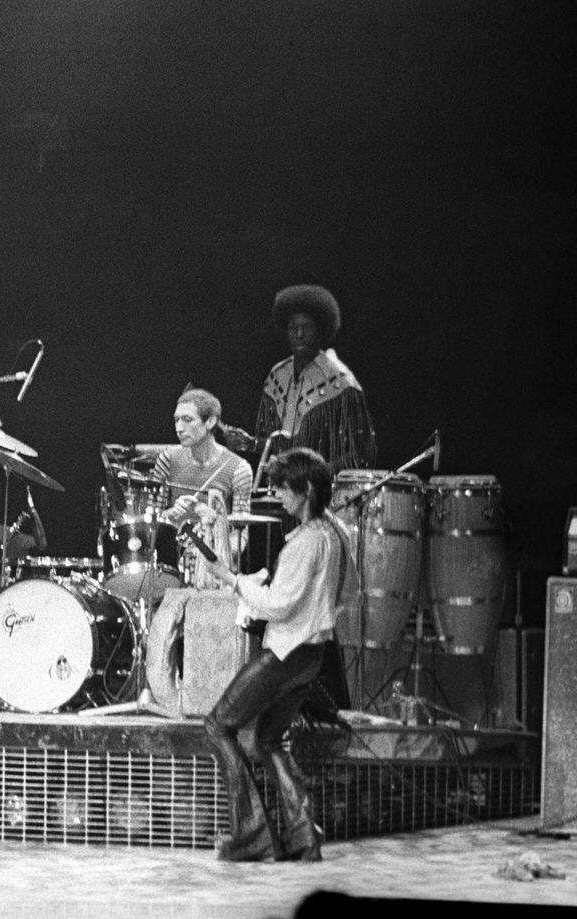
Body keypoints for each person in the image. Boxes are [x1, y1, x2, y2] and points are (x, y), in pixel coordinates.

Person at [200, 447, 358, 862]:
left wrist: (232, 579)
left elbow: (279, 605)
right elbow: (336, 593)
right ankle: (303, 836)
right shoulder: (333, 532)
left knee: (218, 725)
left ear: (305, 490)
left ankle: (251, 835)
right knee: (269, 739)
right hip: (312, 654)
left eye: (284, 489)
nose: (279, 496)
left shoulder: (306, 542)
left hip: (287, 652)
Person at [255, 285, 377, 473]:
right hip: (282, 493)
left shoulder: (341, 382)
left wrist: (314, 476)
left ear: (321, 330)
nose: (299, 334)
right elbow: (271, 444)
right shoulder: (276, 377)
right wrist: (249, 444)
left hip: (323, 495)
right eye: (293, 328)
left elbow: (360, 455)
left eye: (307, 328)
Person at [154, 387, 254, 589]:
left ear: (210, 421)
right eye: (176, 420)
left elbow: (243, 529)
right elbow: (151, 517)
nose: (179, 428)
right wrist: (173, 513)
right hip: (172, 562)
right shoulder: (168, 459)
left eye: (187, 420)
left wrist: (218, 554)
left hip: (214, 567)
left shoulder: (238, 468)